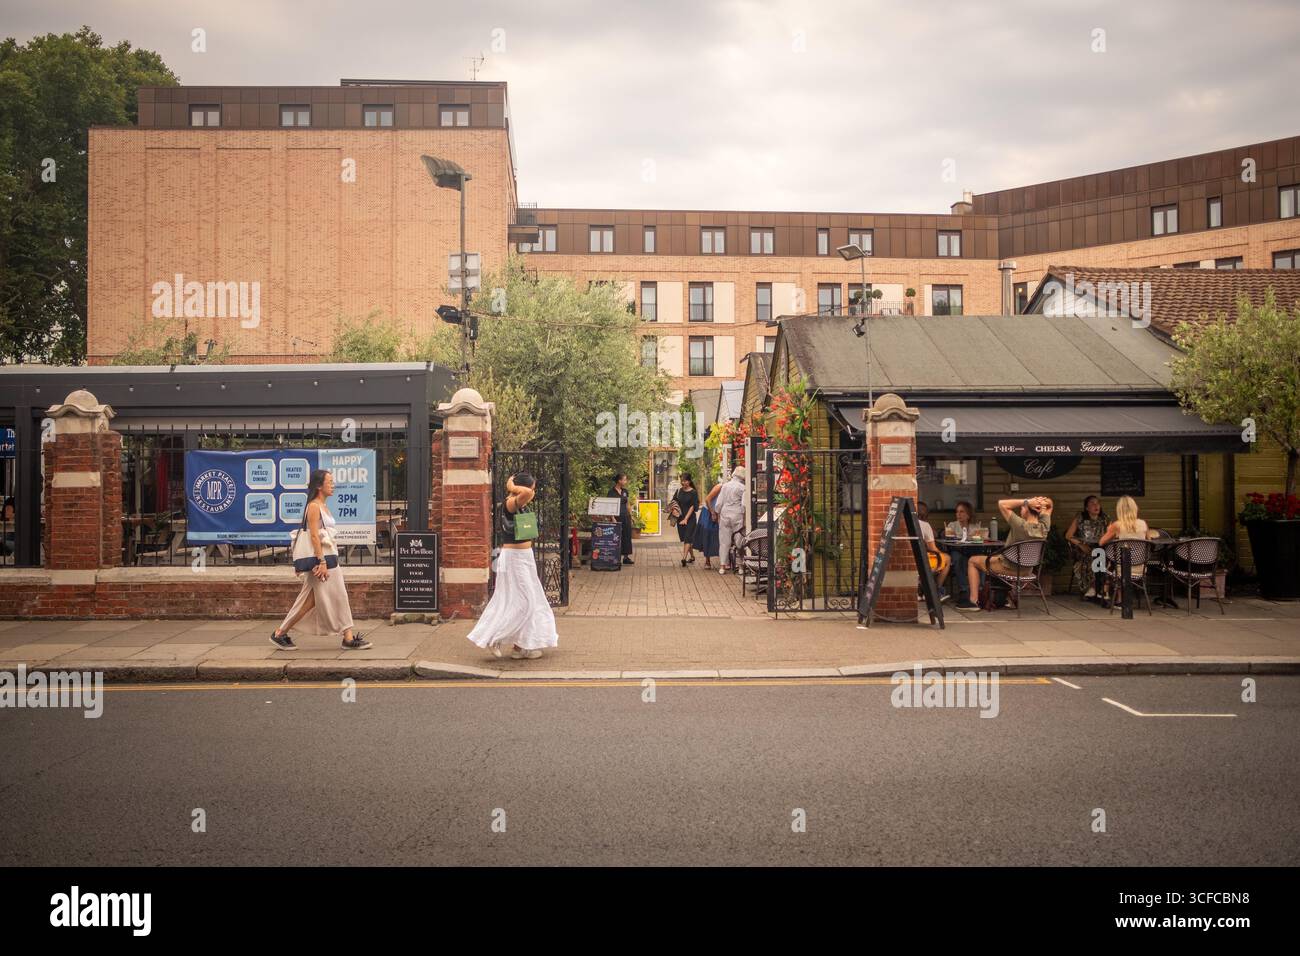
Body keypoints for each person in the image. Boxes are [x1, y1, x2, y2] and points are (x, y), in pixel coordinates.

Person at [271, 469, 372, 650]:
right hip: (324, 562)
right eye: (330, 482)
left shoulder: (323, 506)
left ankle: (347, 637)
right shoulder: (314, 506)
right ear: (319, 486)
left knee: (326, 597)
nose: (333, 485)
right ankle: (281, 633)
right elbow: (314, 537)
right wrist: (321, 562)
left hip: (329, 558)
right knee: (320, 599)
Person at [468, 473, 559, 660]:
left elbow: (527, 494)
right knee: (526, 602)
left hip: (524, 557)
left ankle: (521, 647)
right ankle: (495, 637)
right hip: (514, 558)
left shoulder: (519, 503)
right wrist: (510, 484)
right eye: (532, 487)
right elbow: (526, 492)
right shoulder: (511, 504)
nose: (533, 492)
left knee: (531, 600)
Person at [957, 496, 1053, 610]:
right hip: (1027, 570)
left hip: (1010, 568)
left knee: (973, 560)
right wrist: (1040, 502)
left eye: (1022, 508)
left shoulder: (1020, 525)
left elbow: (1001, 503)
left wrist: (1026, 501)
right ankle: (1003, 598)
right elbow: (1050, 505)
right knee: (995, 558)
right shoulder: (1044, 527)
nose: (1021, 510)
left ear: (1027, 510)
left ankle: (973, 601)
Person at [1065, 495, 1110, 599]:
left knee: (1105, 557)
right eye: (1092, 503)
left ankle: (1099, 588)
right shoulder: (1080, 518)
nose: (1096, 505)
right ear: (1086, 507)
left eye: (1097, 503)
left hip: (1101, 547)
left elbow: (1110, 534)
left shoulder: (1105, 518)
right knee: (1094, 556)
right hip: (1084, 548)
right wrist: (1080, 545)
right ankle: (1095, 587)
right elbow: (1068, 535)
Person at [706, 465, 747, 574]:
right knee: (739, 541)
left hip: (725, 513)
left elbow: (719, 503)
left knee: (724, 541)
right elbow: (744, 505)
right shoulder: (743, 488)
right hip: (737, 514)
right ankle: (740, 567)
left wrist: (718, 514)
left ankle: (722, 566)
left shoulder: (725, 486)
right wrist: (744, 517)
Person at [942, 500, 976, 602]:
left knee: (980, 558)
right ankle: (964, 590)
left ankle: (980, 589)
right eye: (957, 512)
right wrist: (947, 533)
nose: (958, 514)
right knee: (957, 558)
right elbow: (948, 537)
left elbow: (980, 538)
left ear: (968, 514)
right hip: (957, 550)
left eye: (962, 512)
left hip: (971, 551)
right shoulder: (952, 525)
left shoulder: (974, 527)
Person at [915, 511, 952, 602]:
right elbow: (932, 548)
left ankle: (922, 590)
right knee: (947, 559)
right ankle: (936, 591)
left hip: (905, 559)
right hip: (921, 560)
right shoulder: (924, 525)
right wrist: (943, 554)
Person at [671, 475, 700, 567]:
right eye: (682, 481)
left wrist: (686, 519)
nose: (683, 483)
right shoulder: (679, 491)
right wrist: (674, 510)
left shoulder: (693, 492)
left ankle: (683, 558)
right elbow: (674, 502)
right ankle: (692, 556)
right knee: (686, 538)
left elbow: (693, 506)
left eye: (686, 481)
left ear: (689, 481)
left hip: (690, 519)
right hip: (680, 518)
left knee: (687, 537)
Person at [693, 487, 721, 569]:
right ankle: (707, 560)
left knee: (720, 535)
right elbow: (707, 499)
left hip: (719, 512)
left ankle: (724, 560)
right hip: (708, 511)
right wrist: (712, 512)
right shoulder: (720, 486)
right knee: (707, 533)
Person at [610, 473, 634, 565]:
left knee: (627, 535)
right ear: (619, 481)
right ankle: (617, 558)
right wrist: (612, 518)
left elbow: (627, 504)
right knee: (617, 537)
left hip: (626, 516)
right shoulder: (611, 492)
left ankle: (626, 557)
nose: (625, 481)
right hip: (617, 517)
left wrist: (631, 515)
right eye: (624, 480)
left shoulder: (625, 491)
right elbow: (610, 506)